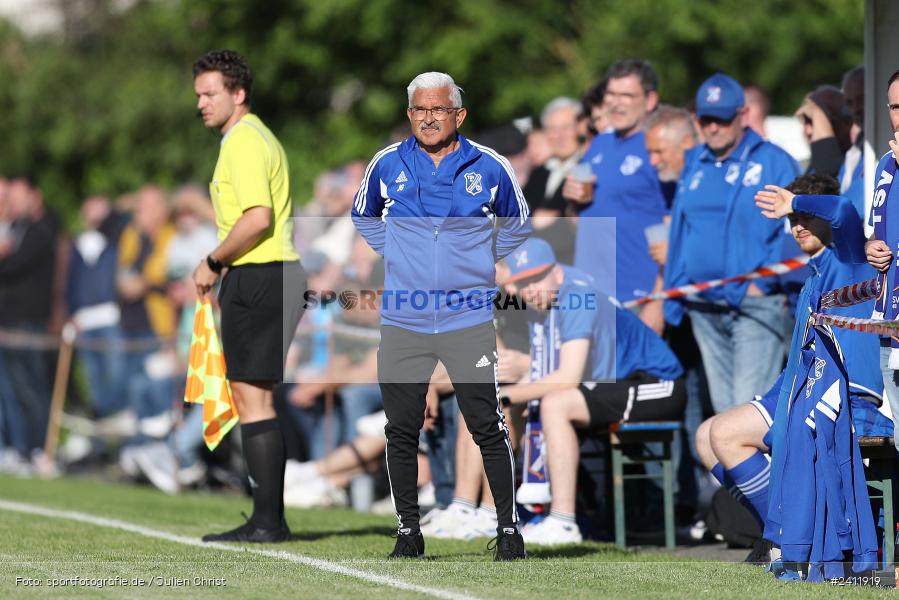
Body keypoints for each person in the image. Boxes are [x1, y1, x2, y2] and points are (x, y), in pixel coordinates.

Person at [351, 71, 530, 560]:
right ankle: (408, 532)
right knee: (401, 427)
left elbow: (518, 224)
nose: (428, 118)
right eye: (420, 110)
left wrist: (480, 260)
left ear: (459, 115)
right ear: (409, 114)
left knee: (486, 423)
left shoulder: (489, 165)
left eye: (438, 109)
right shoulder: (387, 162)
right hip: (404, 318)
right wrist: (398, 253)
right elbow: (363, 214)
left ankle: (508, 531)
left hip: (467, 317)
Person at [697, 173, 880, 564]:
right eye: (792, 220)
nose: (797, 226)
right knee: (704, 437)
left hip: (845, 393)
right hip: (802, 386)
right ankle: (782, 531)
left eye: (806, 217)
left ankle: (785, 538)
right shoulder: (814, 271)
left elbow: (844, 208)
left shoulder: (849, 256)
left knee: (726, 434)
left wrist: (793, 202)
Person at [497, 237, 685, 545]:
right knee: (534, 405)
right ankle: (500, 513)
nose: (530, 290)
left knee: (554, 404)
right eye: (523, 283)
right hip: (618, 384)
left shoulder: (575, 296)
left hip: (658, 385)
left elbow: (567, 378)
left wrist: (504, 396)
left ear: (557, 273)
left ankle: (563, 522)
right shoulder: (551, 303)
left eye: (536, 278)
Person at [191, 50, 306, 543]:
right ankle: (266, 519)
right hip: (266, 275)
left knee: (254, 401)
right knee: (250, 397)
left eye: (210, 93)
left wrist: (213, 261)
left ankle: (268, 522)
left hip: (261, 273)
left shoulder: (243, 140)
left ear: (238, 93)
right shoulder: (249, 137)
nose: (201, 102)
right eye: (198, 95)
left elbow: (258, 218)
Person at [664, 73, 800, 414]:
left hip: (755, 304)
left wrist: (764, 282)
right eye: (705, 119)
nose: (713, 128)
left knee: (747, 411)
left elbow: (795, 228)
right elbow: (681, 227)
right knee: (724, 411)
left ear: (743, 115)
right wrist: (679, 282)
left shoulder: (774, 161)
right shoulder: (694, 162)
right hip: (703, 304)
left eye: (722, 119)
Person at [563, 58, 668, 331]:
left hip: (637, 295)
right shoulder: (600, 142)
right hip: (591, 291)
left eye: (627, 95)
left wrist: (657, 300)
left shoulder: (658, 145)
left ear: (650, 100)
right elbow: (585, 209)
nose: (616, 103)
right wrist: (573, 197)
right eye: (611, 94)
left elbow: (672, 224)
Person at [864, 68, 899, 451]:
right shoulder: (885, 165)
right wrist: (871, 246)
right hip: (891, 320)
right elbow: (877, 232)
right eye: (894, 107)